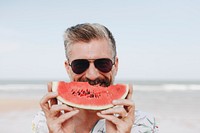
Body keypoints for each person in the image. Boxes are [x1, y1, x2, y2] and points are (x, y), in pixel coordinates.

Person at [32, 23, 159, 133]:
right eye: (80, 65)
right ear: (68, 68)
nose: (92, 75)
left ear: (116, 65)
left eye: (102, 64)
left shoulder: (143, 124)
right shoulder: (44, 122)